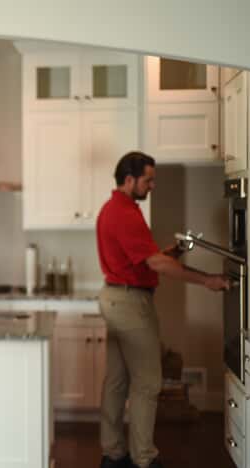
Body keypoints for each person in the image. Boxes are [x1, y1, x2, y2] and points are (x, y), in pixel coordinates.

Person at [96, 151, 229, 468]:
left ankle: (113, 454)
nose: (152, 185)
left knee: (116, 381)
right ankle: (144, 460)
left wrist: (175, 251)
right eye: (148, 179)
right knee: (148, 382)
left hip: (116, 298)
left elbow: (145, 258)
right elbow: (155, 263)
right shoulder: (125, 213)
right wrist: (206, 280)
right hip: (130, 304)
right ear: (129, 180)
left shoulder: (116, 208)